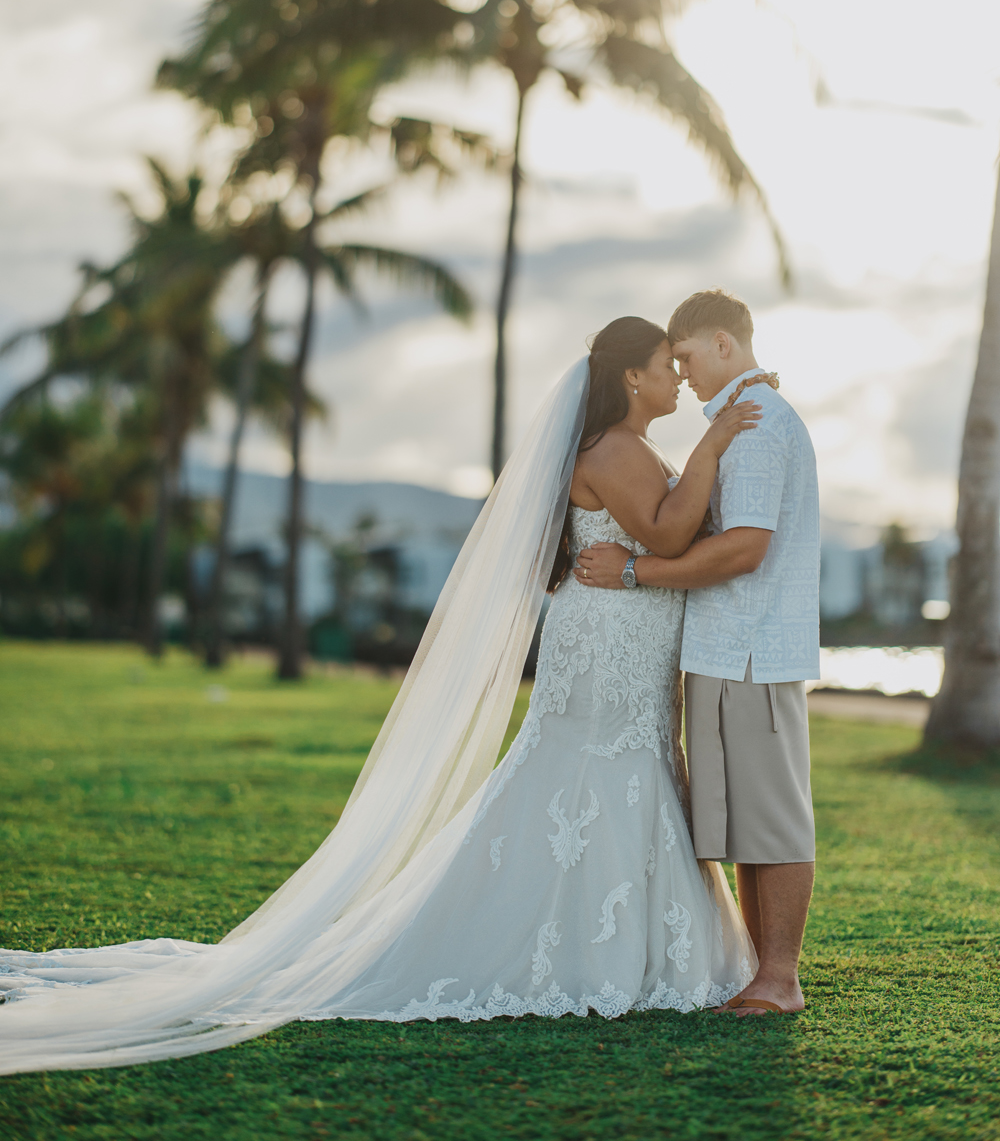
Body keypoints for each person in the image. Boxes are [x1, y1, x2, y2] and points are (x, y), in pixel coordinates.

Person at [0, 316, 761, 1073]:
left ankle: (608, 940)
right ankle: (584, 946)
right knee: (597, 770)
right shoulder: (617, 448)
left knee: (611, 768)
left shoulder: (626, 446)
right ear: (632, 376)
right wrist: (714, 443)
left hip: (623, 642)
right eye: (665, 363)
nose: (677, 377)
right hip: (608, 649)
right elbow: (666, 535)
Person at [576, 289, 820, 1017]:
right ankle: (761, 972)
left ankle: (780, 977)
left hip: (751, 651)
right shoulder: (736, 422)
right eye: (670, 361)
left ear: (723, 343)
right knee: (744, 822)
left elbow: (744, 548)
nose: (681, 373)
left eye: (685, 356)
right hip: (726, 649)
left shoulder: (755, 424)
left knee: (772, 819)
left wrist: (634, 571)